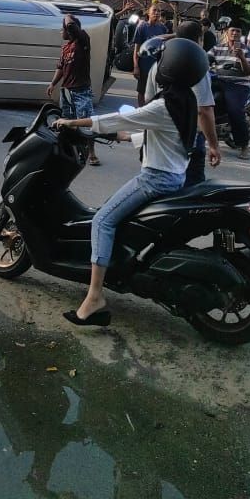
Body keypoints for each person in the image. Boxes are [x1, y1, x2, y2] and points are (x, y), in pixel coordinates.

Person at [54, 38, 209, 326]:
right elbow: (163, 135)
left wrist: (70, 123)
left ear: (169, 67)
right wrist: (122, 136)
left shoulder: (164, 104)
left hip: (156, 179)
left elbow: (114, 119)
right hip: (175, 176)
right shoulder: (186, 100)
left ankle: (94, 297)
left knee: (102, 220)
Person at [146, 20, 221, 186]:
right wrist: (214, 145)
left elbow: (148, 101)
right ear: (200, 40)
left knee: (163, 187)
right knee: (191, 191)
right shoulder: (196, 66)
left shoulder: (157, 64)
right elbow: (204, 111)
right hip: (189, 138)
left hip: (161, 139)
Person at [47, 14, 101, 166]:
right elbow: (60, 68)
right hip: (67, 91)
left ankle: (91, 153)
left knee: (87, 124)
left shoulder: (83, 41)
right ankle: (70, 150)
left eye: (62, 29)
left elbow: (71, 24)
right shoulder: (65, 48)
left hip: (81, 91)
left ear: (69, 30)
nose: (60, 32)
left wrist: (66, 16)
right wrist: (52, 84)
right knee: (67, 122)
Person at [212, 25, 250, 160]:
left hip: (238, 85)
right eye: (232, 31)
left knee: (235, 111)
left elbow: (249, 72)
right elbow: (204, 59)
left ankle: (244, 146)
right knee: (203, 103)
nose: (235, 33)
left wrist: (241, 57)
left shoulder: (247, 50)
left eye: (238, 31)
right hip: (219, 82)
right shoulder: (218, 47)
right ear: (227, 33)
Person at [132, 4, 167, 106]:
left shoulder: (163, 29)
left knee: (157, 92)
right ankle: (140, 111)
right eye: (154, 10)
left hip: (157, 66)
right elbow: (136, 50)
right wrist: (136, 66)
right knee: (142, 91)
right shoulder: (141, 28)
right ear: (148, 13)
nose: (157, 13)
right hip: (144, 66)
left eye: (159, 11)